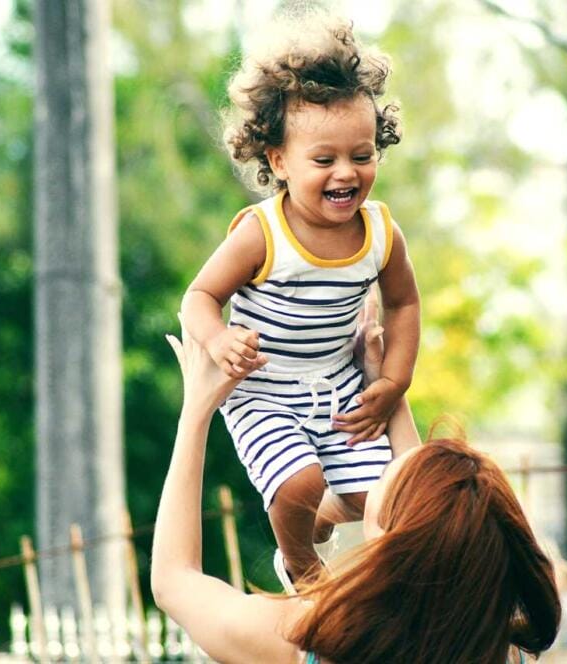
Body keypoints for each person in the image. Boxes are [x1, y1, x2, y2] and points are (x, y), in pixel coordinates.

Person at [153, 317, 561, 663]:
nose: (377, 471)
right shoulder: (496, 647)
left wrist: (196, 412)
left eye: (383, 477)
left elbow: (174, 580)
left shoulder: (304, 640)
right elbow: (432, 524)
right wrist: (382, 385)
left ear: (389, 542)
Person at [180, 15, 420, 590]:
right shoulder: (262, 234)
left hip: (337, 384)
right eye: (324, 160)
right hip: (264, 388)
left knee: (376, 497)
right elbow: (198, 296)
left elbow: (405, 305)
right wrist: (218, 338)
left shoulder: (381, 233)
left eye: (361, 155)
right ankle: (303, 570)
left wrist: (393, 382)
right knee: (298, 484)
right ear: (279, 160)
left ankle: (321, 518)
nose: (346, 172)